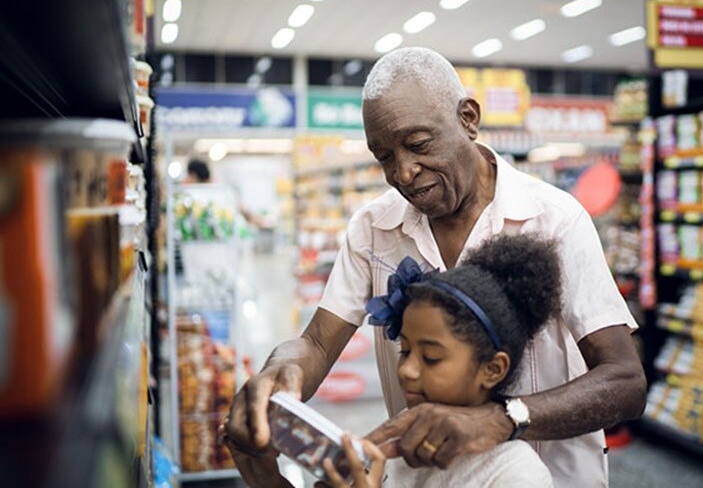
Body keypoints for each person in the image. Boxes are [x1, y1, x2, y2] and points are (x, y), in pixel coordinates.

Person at [223, 46, 646, 487]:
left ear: (468, 118)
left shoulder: (555, 220)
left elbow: (625, 380)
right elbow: (316, 343)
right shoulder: (374, 228)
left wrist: (503, 418)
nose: (403, 173)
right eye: (383, 157)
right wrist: (278, 373)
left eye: (419, 145)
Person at [321, 233, 558, 487]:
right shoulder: (403, 434)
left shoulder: (515, 473)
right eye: (404, 350)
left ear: (492, 369)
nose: (407, 371)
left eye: (431, 358)